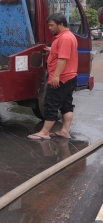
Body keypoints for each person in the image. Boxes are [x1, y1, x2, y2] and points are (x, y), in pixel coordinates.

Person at [28, 13, 78, 141]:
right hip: (70, 77)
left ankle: (44, 132)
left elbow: (63, 58)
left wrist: (55, 76)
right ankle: (64, 131)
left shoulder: (65, 38)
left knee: (50, 105)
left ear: (61, 24)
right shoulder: (67, 36)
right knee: (66, 105)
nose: (50, 28)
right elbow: (62, 53)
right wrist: (52, 49)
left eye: (52, 25)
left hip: (61, 78)